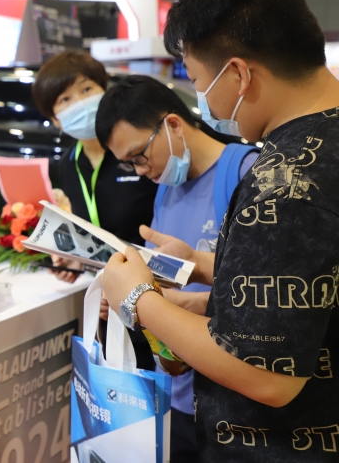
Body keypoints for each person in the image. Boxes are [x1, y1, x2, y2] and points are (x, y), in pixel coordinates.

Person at [100, 0, 339, 463]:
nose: (202, 102)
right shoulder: (320, 146)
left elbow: (268, 374)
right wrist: (208, 274)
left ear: (238, 74)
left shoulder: (286, 177)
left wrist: (139, 297)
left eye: (196, 81)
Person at [94, 75, 258, 462]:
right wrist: (127, 300)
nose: (139, 170)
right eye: (128, 163)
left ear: (172, 124)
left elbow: (265, 294)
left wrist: (181, 303)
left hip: (234, 399)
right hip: (178, 390)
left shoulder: (246, 174)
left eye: (139, 155)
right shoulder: (166, 189)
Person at [32, 49, 158, 371]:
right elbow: (92, 231)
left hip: (155, 295)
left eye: (87, 89)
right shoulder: (68, 163)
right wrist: (76, 259)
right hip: (106, 302)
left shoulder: (135, 148)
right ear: (55, 119)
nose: (80, 102)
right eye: (65, 99)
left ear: (105, 90)